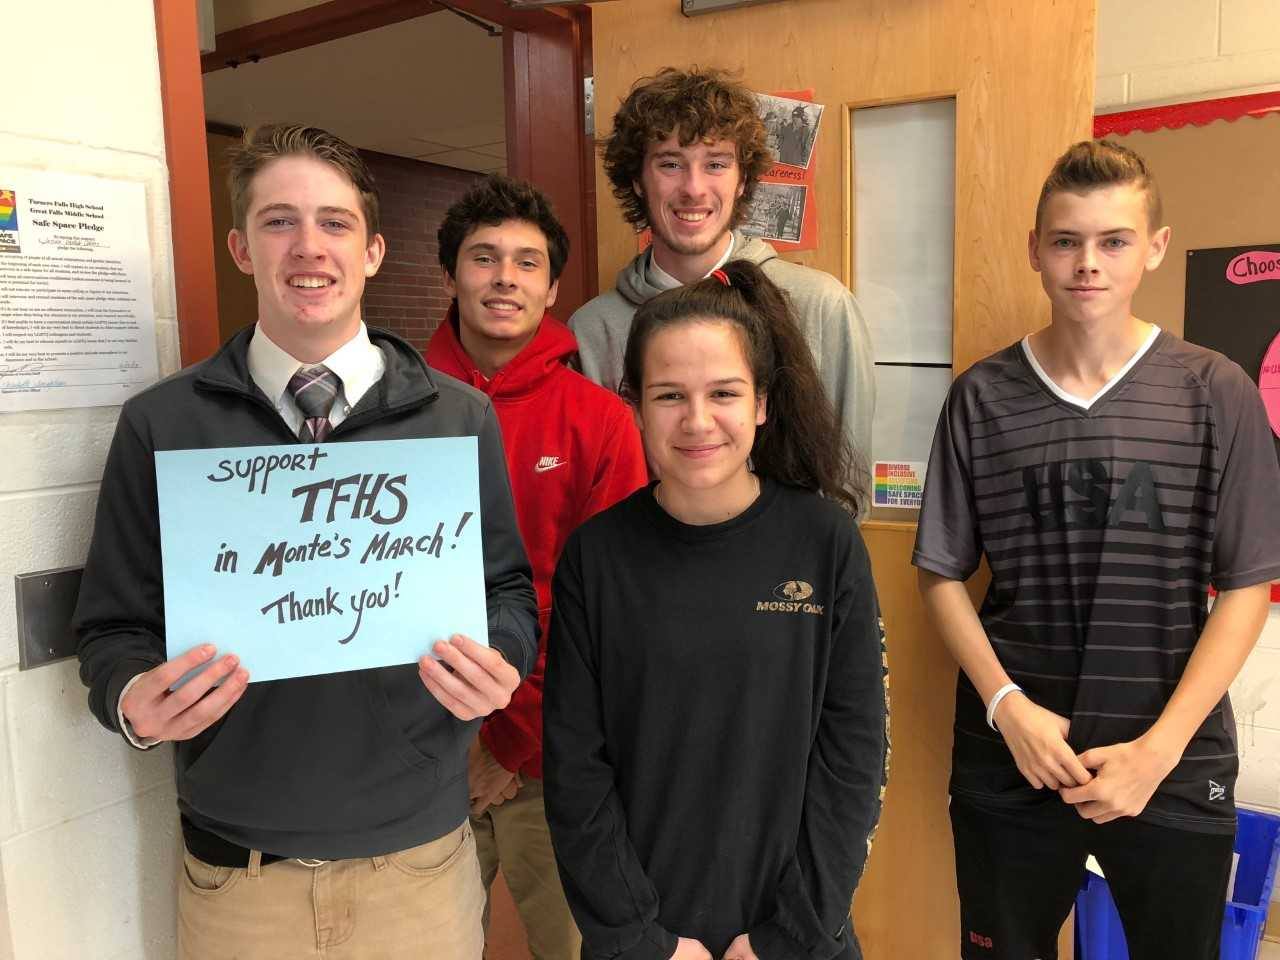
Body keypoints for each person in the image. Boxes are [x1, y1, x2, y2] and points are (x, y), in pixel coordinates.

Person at [74, 124, 539, 960]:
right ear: (241, 248)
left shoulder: (454, 418)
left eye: (334, 223)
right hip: (239, 879)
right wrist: (132, 705)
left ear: (373, 251)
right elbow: (111, 628)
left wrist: (498, 658)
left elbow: (506, 589)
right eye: (279, 221)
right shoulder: (164, 425)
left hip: (419, 868)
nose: (308, 247)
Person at [913, 139, 1280, 960]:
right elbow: (939, 574)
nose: (1089, 263)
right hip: (1015, 755)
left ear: (1152, 247)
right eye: (1067, 241)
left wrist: (1159, 750)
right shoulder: (981, 396)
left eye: (1114, 241)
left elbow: (1248, 586)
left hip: (1172, 757)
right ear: (1036, 250)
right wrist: (1008, 709)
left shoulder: (1214, 391)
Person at [544, 259, 889, 960]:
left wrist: (784, 937)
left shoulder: (826, 544)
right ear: (633, 403)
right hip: (642, 938)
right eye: (669, 395)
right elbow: (576, 770)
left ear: (762, 402)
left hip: (796, 934)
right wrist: (644, 940)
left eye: (723, 393)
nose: (697, 421)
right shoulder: (596, 559)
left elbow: (853, 758)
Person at [426, 174, 648, 960]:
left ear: (553, 287)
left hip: (551, 757)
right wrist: (461, 741)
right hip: (419, 754)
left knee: (572, 945)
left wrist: (510, 745)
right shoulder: (391, 409)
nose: (504, 279)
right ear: (449, 275)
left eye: (526, 263)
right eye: (483, 259)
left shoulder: (601, 422)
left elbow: (609, 613)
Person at [569, 66, 875, 471]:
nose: (693, 188)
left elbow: (846, 485)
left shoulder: (821, 307)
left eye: (715, 164)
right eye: (670, 164)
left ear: (743, 180)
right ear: (638, 181)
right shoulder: (591, 331)